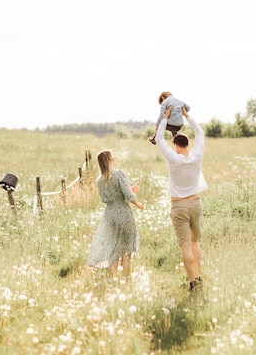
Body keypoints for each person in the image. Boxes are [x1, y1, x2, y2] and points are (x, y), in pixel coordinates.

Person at [155, 106, 207, 291]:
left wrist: (165, 117)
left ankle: (192, 281)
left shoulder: (173, 159)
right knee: (194, 242)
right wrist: (187, 115)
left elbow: (159, 139)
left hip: (179, 206)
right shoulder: (196, 156)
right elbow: (200, 132)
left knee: (185, 245)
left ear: (176, 146)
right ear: (187, 145)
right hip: (195, 203)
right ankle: (199, 276)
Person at [86, 149, 144, 279]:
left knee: (114, 250)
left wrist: (128, 190)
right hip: (124, 213)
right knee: (127, 251)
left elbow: (105, 198)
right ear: (110, 161)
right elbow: (128, 195)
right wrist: (138, 204)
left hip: (110, 216)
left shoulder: (100, 180)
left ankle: (112, 280)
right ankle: (125, 280)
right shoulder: (119, 174)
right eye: (114, 158)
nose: (116, 159)